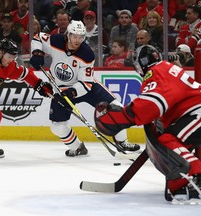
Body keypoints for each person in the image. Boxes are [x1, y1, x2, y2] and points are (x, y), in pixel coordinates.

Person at [94, 44, 201, 202]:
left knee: (167, 140)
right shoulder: (166, 68)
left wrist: (122, 116)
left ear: (141, 63)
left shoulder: (154, 72)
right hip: (192, 112)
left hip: (196, 112)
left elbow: (152, 104)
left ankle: (194, 175)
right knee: (173, 139)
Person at [29, 20, 140, 157]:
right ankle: (77, 147)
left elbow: (86, 83)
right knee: (57, 126)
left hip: (85, 87)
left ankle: (122, 141)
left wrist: (73, 92)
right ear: (68, 34)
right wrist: (37, 53)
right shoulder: (56, 40)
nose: (77, 40)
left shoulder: (86, 54)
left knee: (116, 107)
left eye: (81, 37)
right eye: (75, 36)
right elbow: (38, 37)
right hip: (60, 89)